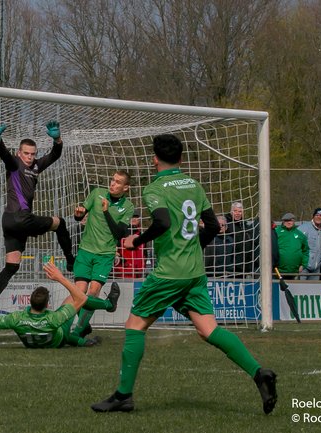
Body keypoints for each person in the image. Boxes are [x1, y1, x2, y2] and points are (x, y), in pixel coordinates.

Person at [91, 134, 277, 414]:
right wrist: (192, 248)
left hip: (168, 273)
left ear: (155, 159)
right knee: (209, 330)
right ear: (180, 159)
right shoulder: (194, 184)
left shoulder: (155, 188)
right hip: (194, 273)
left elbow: (163, 222)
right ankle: (258, 373)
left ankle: (123, 396)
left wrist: (136, 241)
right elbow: (213, 226)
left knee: (134, 326)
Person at [0, 120, 75, 317]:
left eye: (32, 154)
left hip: (9, 222)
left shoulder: (35, 166)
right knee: (59, 222)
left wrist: (57, 140)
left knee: (12, 265)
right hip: (20, 219)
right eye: (26, 153)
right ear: (19, 153)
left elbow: (55, 155)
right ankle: (70, 261)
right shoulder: (14, 163)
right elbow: (4, 156)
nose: (29, 157)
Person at [0, 262, 120, 348]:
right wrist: (60, 277)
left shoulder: (17, 318)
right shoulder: (54, 318)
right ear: (47, 305)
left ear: (29, 302)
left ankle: (82, 338)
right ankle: (108, 305)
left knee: (68, 330)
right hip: (58, 339)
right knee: (75, 298)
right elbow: (81, 299)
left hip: (38, 341)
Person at [70, 170, 134, 338]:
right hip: (85, 250)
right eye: (112, 180)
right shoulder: (97, 193)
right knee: (78, 292)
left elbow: (120, 233)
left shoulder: (128, 207)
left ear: (125, 188)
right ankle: (105, 307)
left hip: (105, 254)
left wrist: (106, 212)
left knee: (92, 292)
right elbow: (80, 214)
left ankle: (78, 333)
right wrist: (78, 214)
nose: (113, 183)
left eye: (118, 182)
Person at [225, 201, 259, 277]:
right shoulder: (226, 225)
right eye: (235, 211)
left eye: (240, 211)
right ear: (231, 211)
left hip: (244, 265)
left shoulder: (245, 225)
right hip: (232, 266)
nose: (237, 213)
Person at [298, 208, 321, 280]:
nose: (319, 217)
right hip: (303, 268)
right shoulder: (303, 228)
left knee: (314, 290)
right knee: (301, 290)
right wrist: (300, 263)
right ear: (313, 216)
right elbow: (297, 246)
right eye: (317, 215)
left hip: (316, 270)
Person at [275, 213, 309, 280]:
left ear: (294, 221)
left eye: (291, 220)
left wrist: (303, 265)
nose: (289, 222)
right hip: (278, 271)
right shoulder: (276, 232)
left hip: (295, 272)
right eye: (287, 221)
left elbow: (306, 251)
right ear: (283, 221)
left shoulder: (300, 235)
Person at [113, 214, 146, 279]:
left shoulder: (143, 235)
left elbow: (145, 253)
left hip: (139, 273)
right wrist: (123, 261)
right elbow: (114, 250)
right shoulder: (121, 233)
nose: (134, 219)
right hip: (122, 273)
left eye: (136, 217)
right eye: (132, 216)